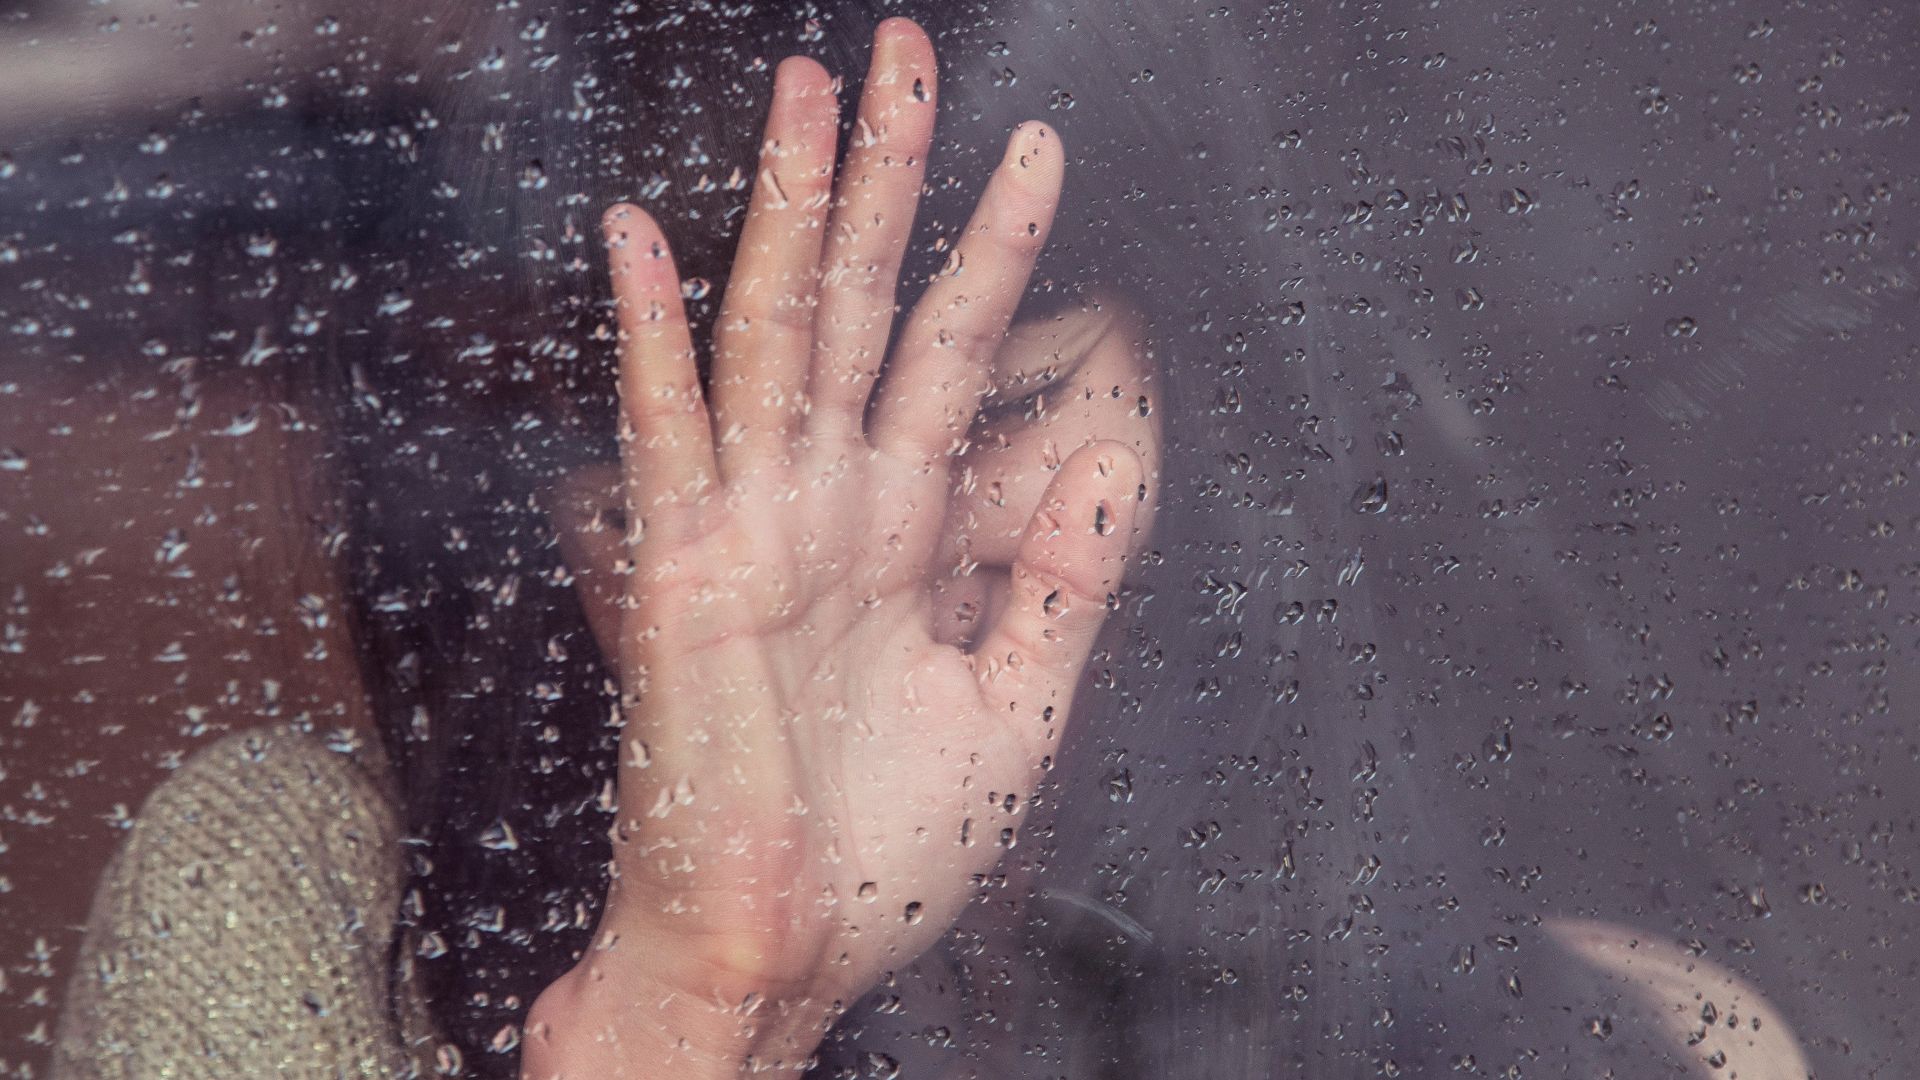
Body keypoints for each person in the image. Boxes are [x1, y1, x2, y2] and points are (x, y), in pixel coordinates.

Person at [47, 17, 1165, 1078]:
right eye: (730, 473)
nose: (890, 520)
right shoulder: (285, 903)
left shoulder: (1275, 889)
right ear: (578, 530)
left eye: (1007, 400)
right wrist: (699, 1011)